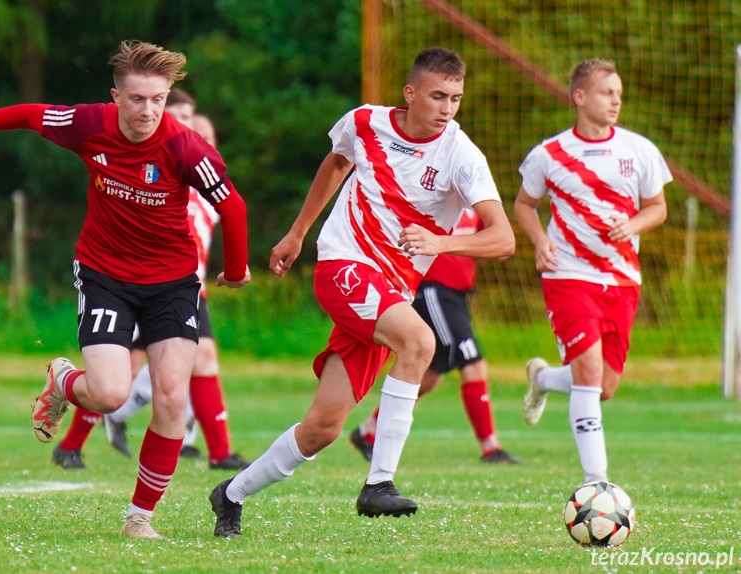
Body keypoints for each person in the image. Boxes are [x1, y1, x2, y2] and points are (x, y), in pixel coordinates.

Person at [0, 40, 251, 539]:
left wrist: (236, 269)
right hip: (105, 275)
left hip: (172, 283)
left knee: (168, 397)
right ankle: (63, 382)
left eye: (158, 99)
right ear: (116, 96)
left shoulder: (185, 146)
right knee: (109, 394)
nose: (148, 110)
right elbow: (34, 115)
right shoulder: (89, 123)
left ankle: (139, 518)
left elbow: (232, 206)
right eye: (138, 98)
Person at [208, 47, 514, 539]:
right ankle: (380, 482)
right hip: (344, 267)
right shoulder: (365, 122)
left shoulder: (461, 154)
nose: (447, 108)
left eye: (456, 98)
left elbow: (504, 238)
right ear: (410, 93)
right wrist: (297, 231)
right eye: (438, 96)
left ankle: (231, 494)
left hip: (391, 290)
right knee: (420, 343)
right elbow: (335, 163)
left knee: (322, 429)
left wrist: (443, 242)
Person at [514, 58, 669, 485]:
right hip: (568, 276)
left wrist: (634, 223)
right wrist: (539, 241)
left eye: (618, 93)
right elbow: (524, 205)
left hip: (621, 280)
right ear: (580, 97)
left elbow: (658, 208)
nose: (616, 100)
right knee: (587, 375)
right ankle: (596, 483)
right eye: (607, 92)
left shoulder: (638, 150)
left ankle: (543, 378)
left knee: (604, 387)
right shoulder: (550, 154)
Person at [101, 95, 249, 471]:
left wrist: (233, 269)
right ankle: (94, 428)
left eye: (209, 135)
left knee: (194, 362)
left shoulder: (203, 173)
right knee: (123, 373)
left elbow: (229, 209)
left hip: (185, 286)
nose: (205, 140)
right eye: (189, 125)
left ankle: (214, 450)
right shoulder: (165, 164)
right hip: (146, 284)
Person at [349, 209, 519, 465]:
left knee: (429, 377)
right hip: (434, 292)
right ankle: (490, 448)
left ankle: (368, 432)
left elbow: (497, 242)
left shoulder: (475, 200)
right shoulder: (434, 194)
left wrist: (496, 245)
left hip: (458, 296)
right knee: (473, 364)